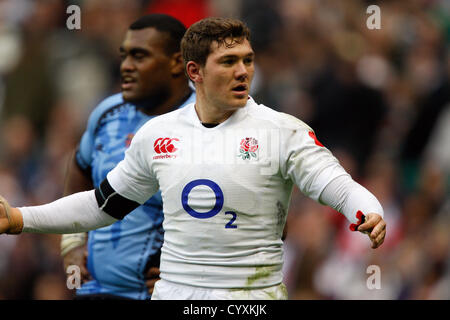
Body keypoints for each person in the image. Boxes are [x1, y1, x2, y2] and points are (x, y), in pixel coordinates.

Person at [0, 17, 386, 300]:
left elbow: (336, 185)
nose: (243, 72)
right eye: (228, 62)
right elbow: (103, 205)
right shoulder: (157, 136)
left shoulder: (282, 131)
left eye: (247, 60)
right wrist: (20, 218)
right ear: (194, 71)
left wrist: (367, 209)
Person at [60, 14, 195, 300]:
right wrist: (72, 242)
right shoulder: (107, 113)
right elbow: (80, 169)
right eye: (124, 56)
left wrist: (193, 271)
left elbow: (249, 212)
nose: (125, 67)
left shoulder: (208, 122)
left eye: (139, 56)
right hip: (95, 290)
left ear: (176, 62)